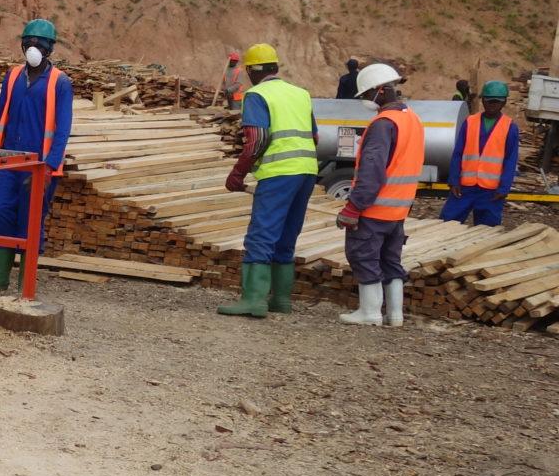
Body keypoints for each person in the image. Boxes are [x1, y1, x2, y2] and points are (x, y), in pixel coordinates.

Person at [0, 18, 75, 293]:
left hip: (38, 167)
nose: (32, 46)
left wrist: (49, 168)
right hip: (8, 161)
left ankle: (25, 280)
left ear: (50, 48)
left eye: (38, 42)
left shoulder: (60, 83)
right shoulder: (13, 76)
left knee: (30, 220)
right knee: (0, 212)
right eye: (28, 41)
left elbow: (63, 130)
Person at [218, 44, 319, 318]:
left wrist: (238, 173)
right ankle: (281, 299)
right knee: (287, 233)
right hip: (307, 170)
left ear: (250, 70)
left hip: (279, 173)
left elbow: (258, 139)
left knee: (262, 233)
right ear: (276, 66)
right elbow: (315, 136)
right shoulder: (301, 93)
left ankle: (253, 300)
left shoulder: (257, 95)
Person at [336, 63, 421, 328]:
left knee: (364, 255)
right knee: (390, 261)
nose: (365, 101)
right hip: (398, 210)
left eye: (366, 95)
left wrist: (353, 207)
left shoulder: (383, 124)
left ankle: (370, 312)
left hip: (375, 209)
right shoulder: (411, 118)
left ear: (381, 91)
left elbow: (371, 172)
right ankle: (395, 315)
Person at [441, 81, 519, 226]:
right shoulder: (470, 122)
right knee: (446, 223)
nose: (492, 105)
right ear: (483, 100)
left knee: (486, 231)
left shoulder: (510, 127)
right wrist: (454, 180)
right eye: (489, 101)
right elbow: (458, 153)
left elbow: (510, 160)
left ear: (504, 102)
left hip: (491, 192)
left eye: (496, 102)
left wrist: (504, 188)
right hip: (464, 188)